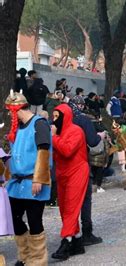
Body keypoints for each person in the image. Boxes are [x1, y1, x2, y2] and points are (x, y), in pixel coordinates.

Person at [4, 91, 52, 265]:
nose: (9, 115)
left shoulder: (39, 124)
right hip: (17, 184)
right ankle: (25, 256)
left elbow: (43, 151)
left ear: (15, 109)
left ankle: (38, 260)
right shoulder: (18, 128)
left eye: (10, 111)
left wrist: (38, 179)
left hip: (34, 181)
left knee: (34, 220)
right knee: (15, 219)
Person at [51, 104, 89, 260]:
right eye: (52, 117)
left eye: (56, 117)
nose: (53, 120)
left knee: (71, 208)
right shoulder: (59, 132)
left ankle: (66, 242)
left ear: (64, 116)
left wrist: (53, 137)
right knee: (65, 208)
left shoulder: (76, 131)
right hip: (63, 174)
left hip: (77, 172)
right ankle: (77, 240)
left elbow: (67, 150)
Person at [68, 96, 104, 246]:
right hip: (80, 163)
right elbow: (93, 141)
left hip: (63, 165)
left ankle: (70, 235)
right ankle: (86, 232)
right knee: (85, 200)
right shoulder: (82, 120)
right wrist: (100, 136)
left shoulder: (59, 119)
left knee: (68, 202)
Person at [111, 120, 126, 190]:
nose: (114, 132)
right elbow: (118, 146)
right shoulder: (118, 136)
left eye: (114, 130)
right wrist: (109, 151)